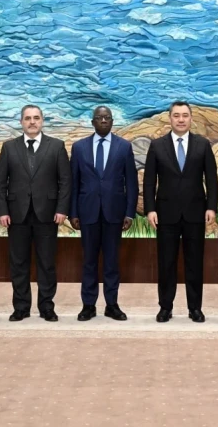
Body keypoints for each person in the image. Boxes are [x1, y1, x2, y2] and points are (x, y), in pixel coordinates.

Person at [0, 105, 71, 322]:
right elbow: (0, 183)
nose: (32, 122)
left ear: (42, 121)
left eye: (36, 118)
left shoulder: (56, 146)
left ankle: (47, 307)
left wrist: (62, 209)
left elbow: (65, 181)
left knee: (47, 263)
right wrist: (2, 210)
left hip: (47, 214)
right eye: (27, 118)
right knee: (18, 263)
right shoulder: (9, 147)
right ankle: (21, 307)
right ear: (21, 122)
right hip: (16, 215)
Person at [143, 101, 218, 323]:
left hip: (195, 213)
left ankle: (195, 308)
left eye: (185, 115)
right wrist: (150, 209)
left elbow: (211, 179)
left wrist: (211, 207)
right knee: (166, 263)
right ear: (170, 118)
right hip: (166, 214)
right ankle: (165, 307)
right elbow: (149, 181)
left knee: (194, 263)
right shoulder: (157, 146)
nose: (181, 119)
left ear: (191, 118)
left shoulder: (202, 144)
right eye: (176, 115)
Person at [70, 106, 139, 322]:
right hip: (87, 212)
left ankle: (112, 305)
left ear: (112, 121)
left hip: (114, 213)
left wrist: (129, 213)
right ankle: (88, 305)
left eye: (107, 117)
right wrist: (73, 212)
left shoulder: (124, 146)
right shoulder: (79, 147)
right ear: (92, 122)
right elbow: (73, 183)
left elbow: (131, 183)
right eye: (99, 118)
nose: (103, 121)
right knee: (89, 261)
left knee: (111, 261)